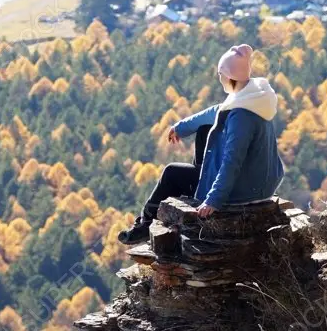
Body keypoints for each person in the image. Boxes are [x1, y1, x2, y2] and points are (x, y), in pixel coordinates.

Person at [118, 44, 285, 245]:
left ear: (230, 76)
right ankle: (199, 177)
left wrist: (213, 199)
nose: (219, 78)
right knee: (206, 129)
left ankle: (144, 225)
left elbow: (233, 161)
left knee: (171, 172)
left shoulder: (241, 117)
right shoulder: (253, 97)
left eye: (221, 74)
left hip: (245, 189)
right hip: (259, 180)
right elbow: (215, 111)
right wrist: (182, 127)